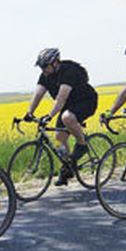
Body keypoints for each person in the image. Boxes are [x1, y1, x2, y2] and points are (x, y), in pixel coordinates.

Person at [22, 48, 100, 186]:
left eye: (45, 66)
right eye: (41, 67)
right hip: (68, 106)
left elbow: (61, 99)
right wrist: (29, 112)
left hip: (86, 101)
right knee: (59, 139)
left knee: (67, 117)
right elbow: (38, 94)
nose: (43, 69)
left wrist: (49, 116)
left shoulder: (68, 71)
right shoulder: (45, 75)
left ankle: (82, 145)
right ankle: (68, 167)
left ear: (55, 63)